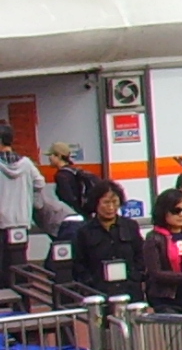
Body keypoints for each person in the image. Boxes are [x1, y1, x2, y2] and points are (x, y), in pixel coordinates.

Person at [0, 121, 74, 276]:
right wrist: (33, 201)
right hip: (21, 222)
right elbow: (39, 182)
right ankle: (21, 289)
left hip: (1, 222)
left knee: (2, 265)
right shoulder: (26, 163)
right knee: (18, 261)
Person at [70, 181, 147, 303]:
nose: (111, 207)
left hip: (130, 291)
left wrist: (135, 276)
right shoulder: (84, 232)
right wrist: (90, 282)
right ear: (96, 203)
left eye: (114, 202)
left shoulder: (130, 226)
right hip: (99, 293)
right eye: (106, 202)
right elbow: (78, 263)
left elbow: (141, 254)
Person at [140, 187, 182, 314]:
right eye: (176, 211)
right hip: (166, 300)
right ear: (163, 212)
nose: (181, 214)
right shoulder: (153, 238)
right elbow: (156, 272)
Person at [46, 142, 98, 220]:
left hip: (74, 217)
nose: (49, 158)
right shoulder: (74, 171)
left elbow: (67, 200)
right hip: (85, 215)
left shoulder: (61, 176)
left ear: (59, 156)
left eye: (51, 155)